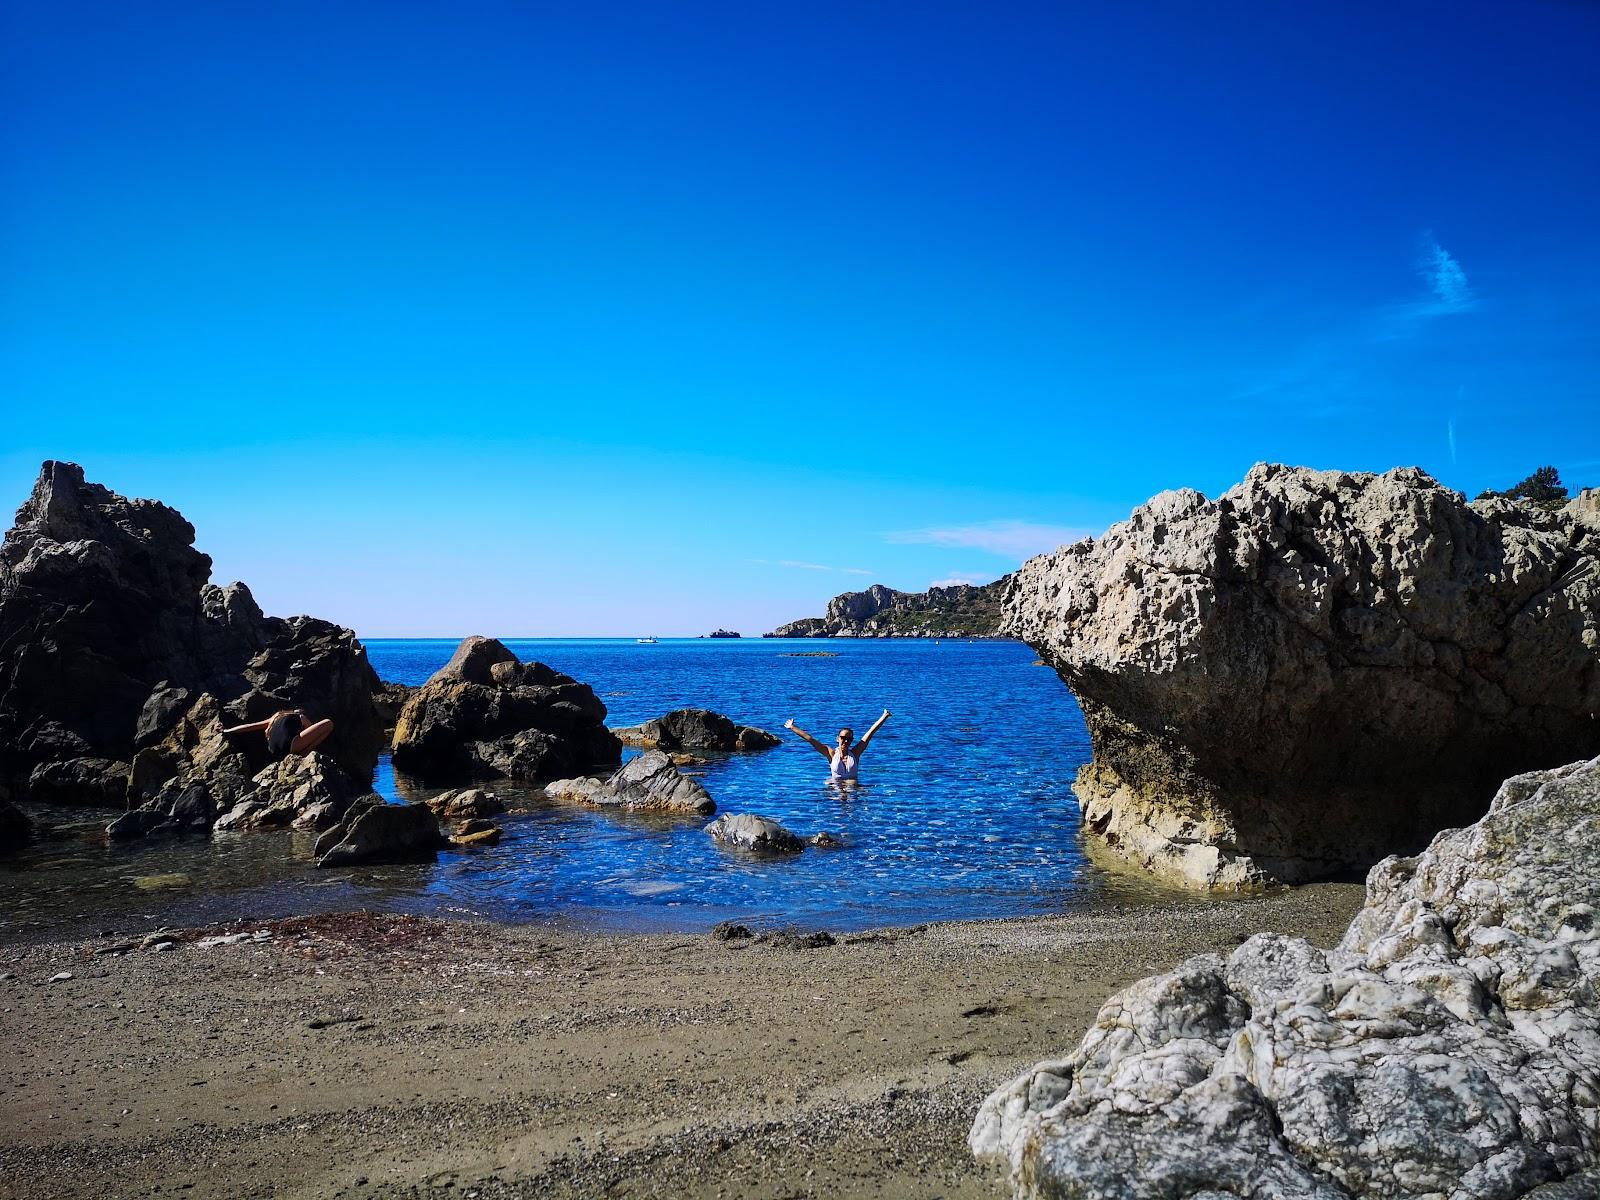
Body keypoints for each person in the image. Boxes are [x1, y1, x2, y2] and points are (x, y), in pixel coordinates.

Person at [784, 710, 890, 782]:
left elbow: (870, 732)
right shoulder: (831, 753)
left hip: (853, 789)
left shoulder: (855, 753)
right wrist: (792, 727)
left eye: (849, 739)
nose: (845, 741)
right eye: (843, 738)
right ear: (837, 738)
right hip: (835, 788)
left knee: (853, 785)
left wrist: (884, 716)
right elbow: (811, 739)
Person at [221, 708, 334, 760]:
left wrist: (226, 731)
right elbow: (311, 731)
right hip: (290, 745)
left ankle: (300, 752)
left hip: (275, 751)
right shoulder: (300, 716)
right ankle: (305, 753)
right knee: (328, 724)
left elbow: (249, 726)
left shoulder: (275, 717)